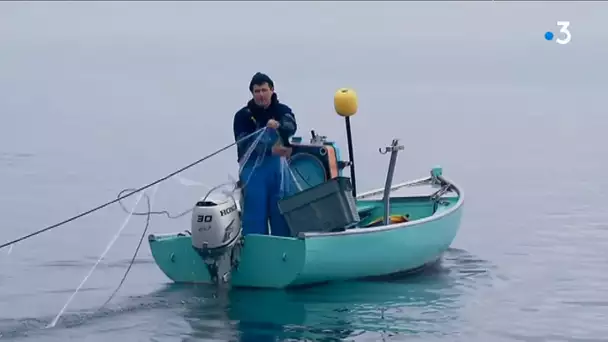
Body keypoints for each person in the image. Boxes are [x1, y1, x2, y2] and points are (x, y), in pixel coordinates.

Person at [233, 72, 298, 237]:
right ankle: (255, 252)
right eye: (257, 91)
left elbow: (291, 126)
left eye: (264, 90)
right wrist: (270, 150)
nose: (261, 94)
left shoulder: (282, 110)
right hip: (254, 174)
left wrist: (279, 125)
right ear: (252, 93)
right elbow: (244, 142)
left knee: (281, 217)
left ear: (272, 90)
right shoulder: (242, 116)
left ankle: (283, 251)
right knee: (254, 218)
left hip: (278, 174)